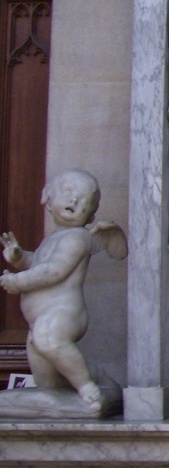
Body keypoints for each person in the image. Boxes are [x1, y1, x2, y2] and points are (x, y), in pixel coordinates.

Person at [0, 169, 127, 412]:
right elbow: (38, 262)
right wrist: (19, 258)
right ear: (46, 197)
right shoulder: (54, 238)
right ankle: (93, 380)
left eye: (83, 201)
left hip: (64, 313)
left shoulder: (77, 238)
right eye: (68, 192)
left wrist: (19, 282)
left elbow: (54, 271)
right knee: (48, 379)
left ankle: (87, 387)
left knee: (48, 339)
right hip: (38, 319)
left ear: (90, 214)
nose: (74, 201)